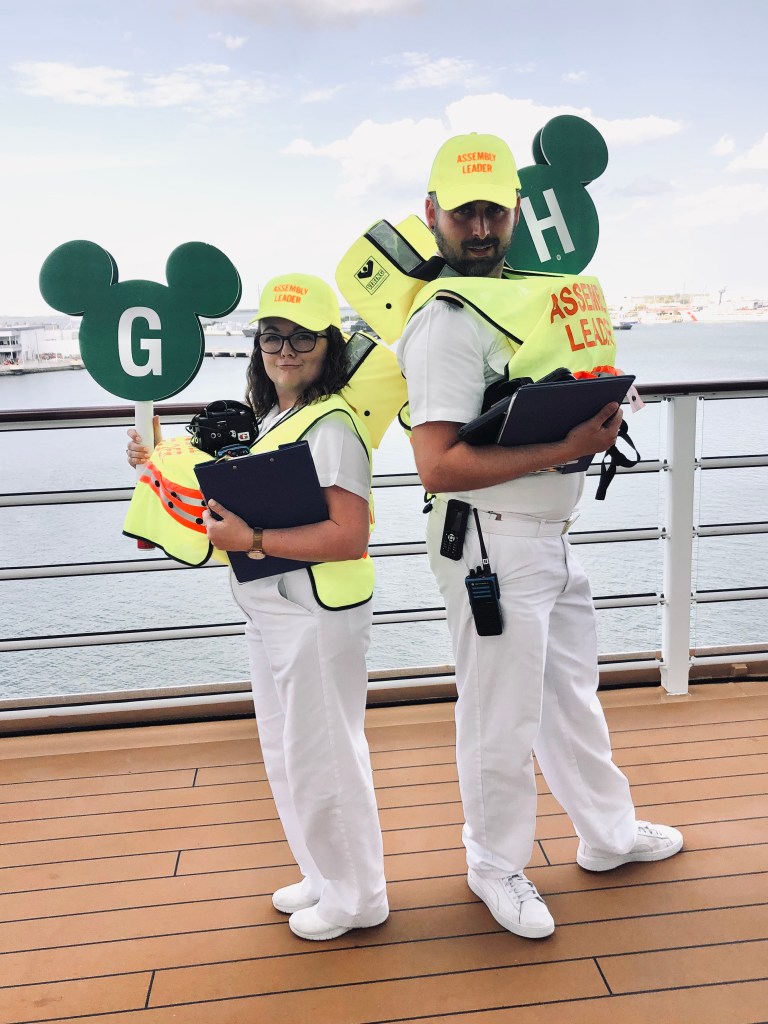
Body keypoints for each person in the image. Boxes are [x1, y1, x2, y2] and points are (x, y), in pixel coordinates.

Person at [396, 134, 683, 940]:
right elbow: (438, 466)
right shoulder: (447, 323)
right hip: (488, 541)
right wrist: (570, 446)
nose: (480, 227)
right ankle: (493, 864)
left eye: (494, 209)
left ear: (516, 211)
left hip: (547, 533)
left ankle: (608, 834)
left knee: (569, 697)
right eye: (464, 212)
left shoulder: (523, 300)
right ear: (432, 215)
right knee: (499, 716)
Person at [127, 273, 388, 942]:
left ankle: (359, 897)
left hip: (314, 611)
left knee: (325, 754)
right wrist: (155, 458)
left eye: (302, 336)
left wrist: (256, 540)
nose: (285, 348)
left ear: (328, 346)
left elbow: (349, 535)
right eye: (272, 335)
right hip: (271, 607)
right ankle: (323, 873)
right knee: (286, 750)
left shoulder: (333, 426)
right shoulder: (276, 417)